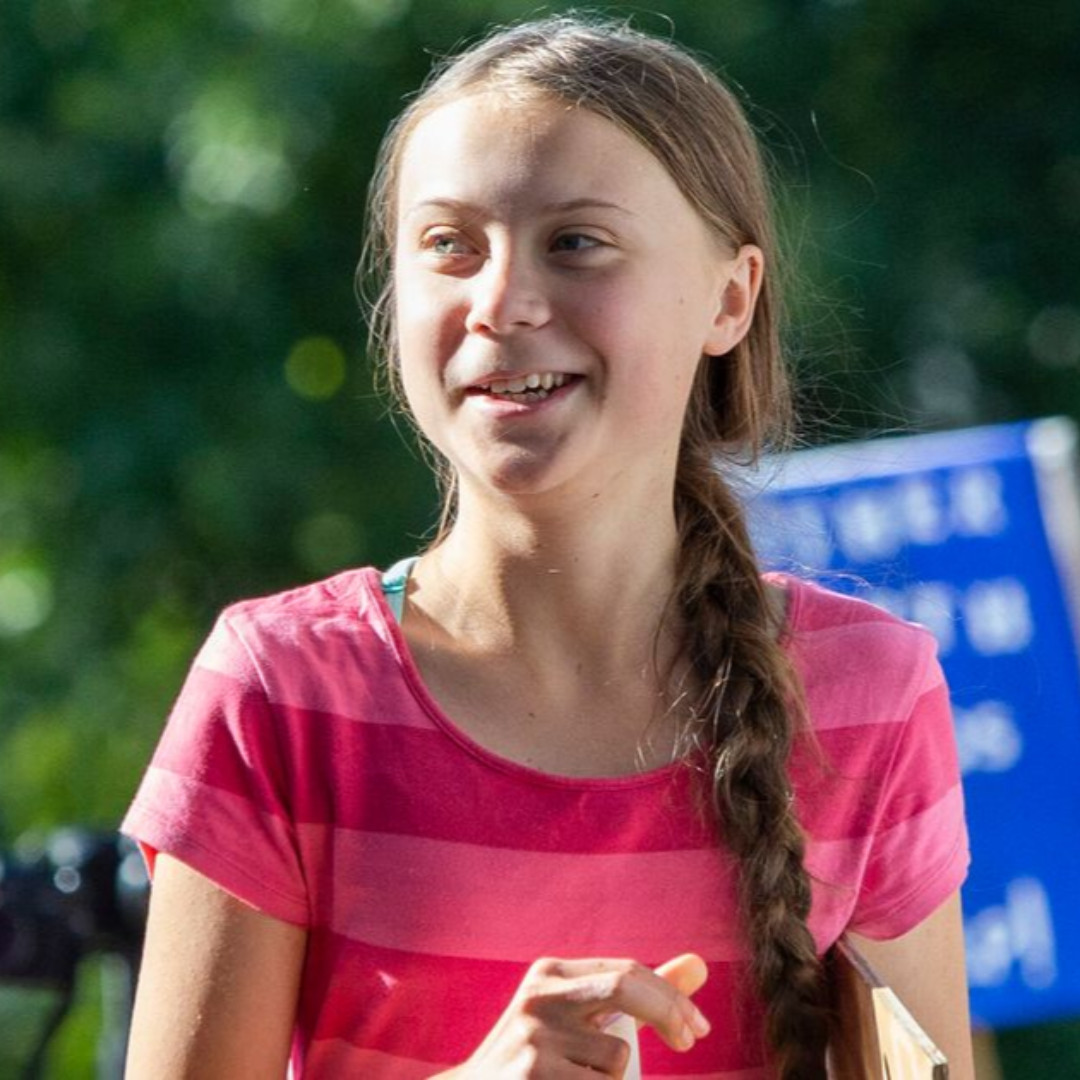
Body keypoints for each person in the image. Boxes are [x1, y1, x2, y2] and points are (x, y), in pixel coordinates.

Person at [122, 14, 974, 1079]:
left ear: (729, 297)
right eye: (448, 246)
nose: (502, 303)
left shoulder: (872, 696)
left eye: (576, 242)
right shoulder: (279, 692)